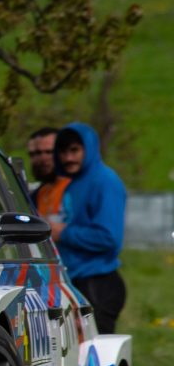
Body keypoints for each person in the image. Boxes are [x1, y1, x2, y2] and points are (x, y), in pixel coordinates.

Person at [49, 122, 126, 334]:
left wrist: (62, 232)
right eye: (63, 151)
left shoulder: (104, 181)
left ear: (89, 149)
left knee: (96, 357)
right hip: (76, 282)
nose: (68, 158)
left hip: (98, 283)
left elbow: (109, 237)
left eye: (75, 150)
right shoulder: (72, 184)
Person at [27, 127, 69, 220]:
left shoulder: (80, 189)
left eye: (49, 152)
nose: (42, 158)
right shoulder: (36, 195)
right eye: (35, 153)